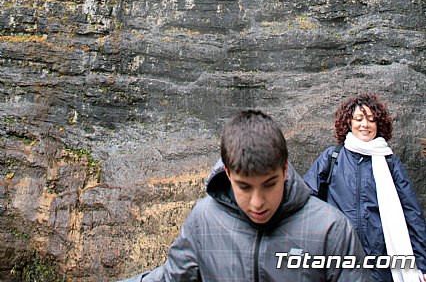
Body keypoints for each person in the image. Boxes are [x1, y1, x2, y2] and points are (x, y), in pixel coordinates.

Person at [118, 109, 369, 282]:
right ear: (227, 174)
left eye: (269, 185)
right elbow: (171, 277)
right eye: (245, 187)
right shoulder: (204, 220)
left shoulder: (330, 229)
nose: (257, 202)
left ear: (284, 170)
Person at [304, 93, 426, 282]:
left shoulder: (390, 162)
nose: (365, 125)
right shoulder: (332, 157)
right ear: (349, 123)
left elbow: (411, 213)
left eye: (371, 120)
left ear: (379, 124)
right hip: (340, 255)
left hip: (383, 261)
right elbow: (306, 202)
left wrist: (422, 263)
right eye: (359, 119)